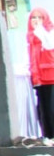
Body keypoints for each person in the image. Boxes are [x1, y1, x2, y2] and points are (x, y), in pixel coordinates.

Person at [28, 8, 54, 138]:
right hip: (39, 79)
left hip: (50, 77)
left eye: (40, 17)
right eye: (33, 17)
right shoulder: (31, 36)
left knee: (51, 109)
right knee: (42, 110)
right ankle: (48, 137)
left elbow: (49, 45)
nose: (36, 20)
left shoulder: (49, 32)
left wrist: (39, 29)